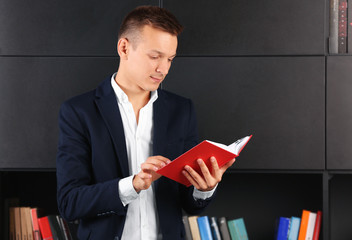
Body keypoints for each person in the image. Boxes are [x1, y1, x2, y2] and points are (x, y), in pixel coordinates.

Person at [56, 5, 235, 240]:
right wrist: (133, 185)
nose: (163, 69)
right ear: (124, 48)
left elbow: (189, 204)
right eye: (155, 56)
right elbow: (70, 203)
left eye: (170, 59)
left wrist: (204, 189)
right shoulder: (79, 112)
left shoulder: (182, 110)